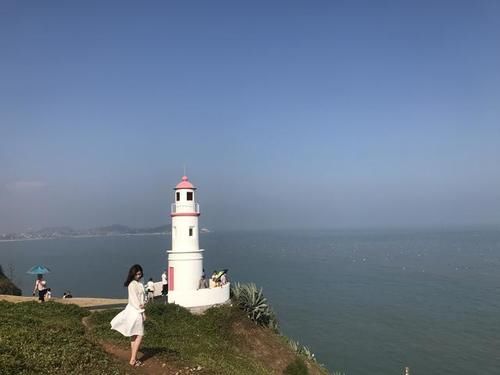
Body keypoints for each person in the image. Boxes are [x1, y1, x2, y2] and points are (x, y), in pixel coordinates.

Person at [110, 264, 146, 367]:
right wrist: (142, 311)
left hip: (136, 310)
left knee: (134, 334)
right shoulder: (132, 284)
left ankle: (133, 358)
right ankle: (133, 359)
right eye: (137, 274)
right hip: (135, 311)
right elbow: (135, 301)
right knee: (139, 334)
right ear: (133, 274)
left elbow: (141, 298)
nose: (138, 276)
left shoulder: (139, 282)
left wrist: (143, 310)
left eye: (140, 274)